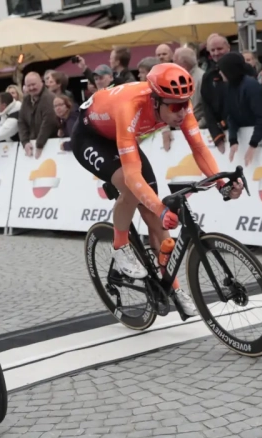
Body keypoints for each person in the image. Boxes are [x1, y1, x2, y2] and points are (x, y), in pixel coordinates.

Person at [69, 64, 244, 316]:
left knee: (157, 222)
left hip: (119, 136)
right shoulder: (130, 107)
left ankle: (172, 288)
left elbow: (199, 148)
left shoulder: (180, 106)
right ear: (155, 101)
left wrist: (221, 184)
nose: (182, 112)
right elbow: (131, 175)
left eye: (186, 104)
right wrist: (161, 208)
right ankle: (120, 248)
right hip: (90, 137)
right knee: (131, 190)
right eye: (174, 106)